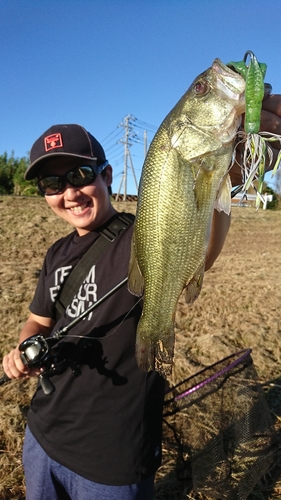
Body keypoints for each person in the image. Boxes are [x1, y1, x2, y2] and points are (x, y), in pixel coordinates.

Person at [2, 93, 281, 500]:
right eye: (52, 183)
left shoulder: (142, 233)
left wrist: (224, 176)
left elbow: (201, 251)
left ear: (107, 175)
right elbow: (40, 320)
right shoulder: (56, 254)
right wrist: (25, 347)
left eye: (80, 174)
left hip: (113, 458)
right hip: (42, 435)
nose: (70, 193)